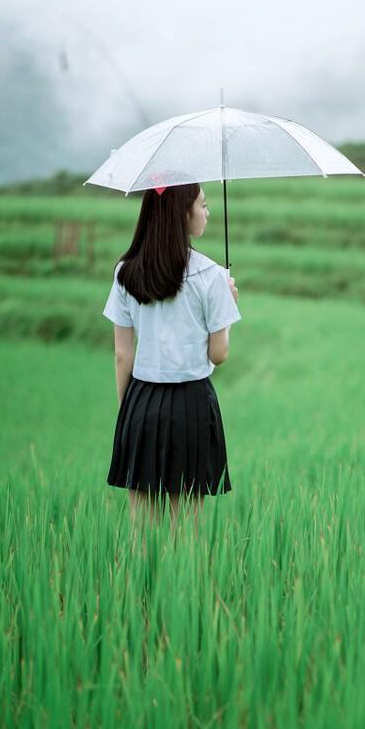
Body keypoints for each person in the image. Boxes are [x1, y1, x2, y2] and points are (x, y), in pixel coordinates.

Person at [102, 181, 241, 540]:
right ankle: (182, 595)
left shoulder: (126, 270)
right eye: (203, 205)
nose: (207, 213)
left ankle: (137, 595)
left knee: (140, 532)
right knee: (185, 533)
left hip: (141, 402)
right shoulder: (210, 276)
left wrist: (129, 413)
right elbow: (219, 354)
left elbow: (122, 354)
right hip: (190, 405)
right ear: (184, 213)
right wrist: (228, 307)